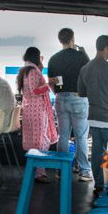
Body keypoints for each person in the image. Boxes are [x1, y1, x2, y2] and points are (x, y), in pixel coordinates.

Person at [77, 35, 108, 191]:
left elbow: (81, 92)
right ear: (106, 47)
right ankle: (106, 183)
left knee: (97, 151)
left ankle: (98, 184)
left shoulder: (85, 68)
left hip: (92, 117)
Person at [47, 28, 92, 182]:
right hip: (78, 98)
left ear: (60, 40)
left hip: (60, 98)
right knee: (81, 137)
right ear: (73, 38)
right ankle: (84, 171)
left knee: (63, 135)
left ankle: (61, 170)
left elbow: (52, 82)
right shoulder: (81, 56)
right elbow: (89, 75)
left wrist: (59, 93)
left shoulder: (53, 59)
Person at [17, 46, 58, 182]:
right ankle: (40, 172)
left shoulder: (25, 70)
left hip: (29, 109)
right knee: (41, 139)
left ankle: (34, 170)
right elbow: (35, 90)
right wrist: (49, 83)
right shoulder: (33, 71)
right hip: (37, 110)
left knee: (33, 140)